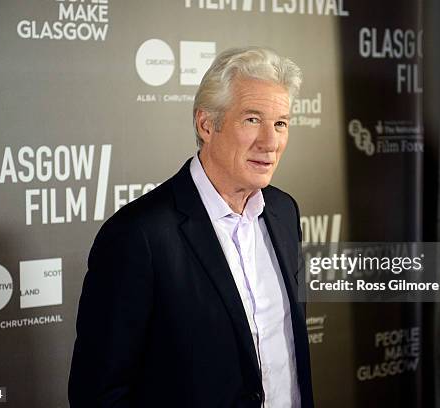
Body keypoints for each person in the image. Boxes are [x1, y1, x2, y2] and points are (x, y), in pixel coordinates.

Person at [69, 46, 314, 408]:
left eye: (280, 123)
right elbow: (99, 394)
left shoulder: (284, 211)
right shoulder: (138, 236)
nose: (271, 142)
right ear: (206, 125)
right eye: (252, 120)